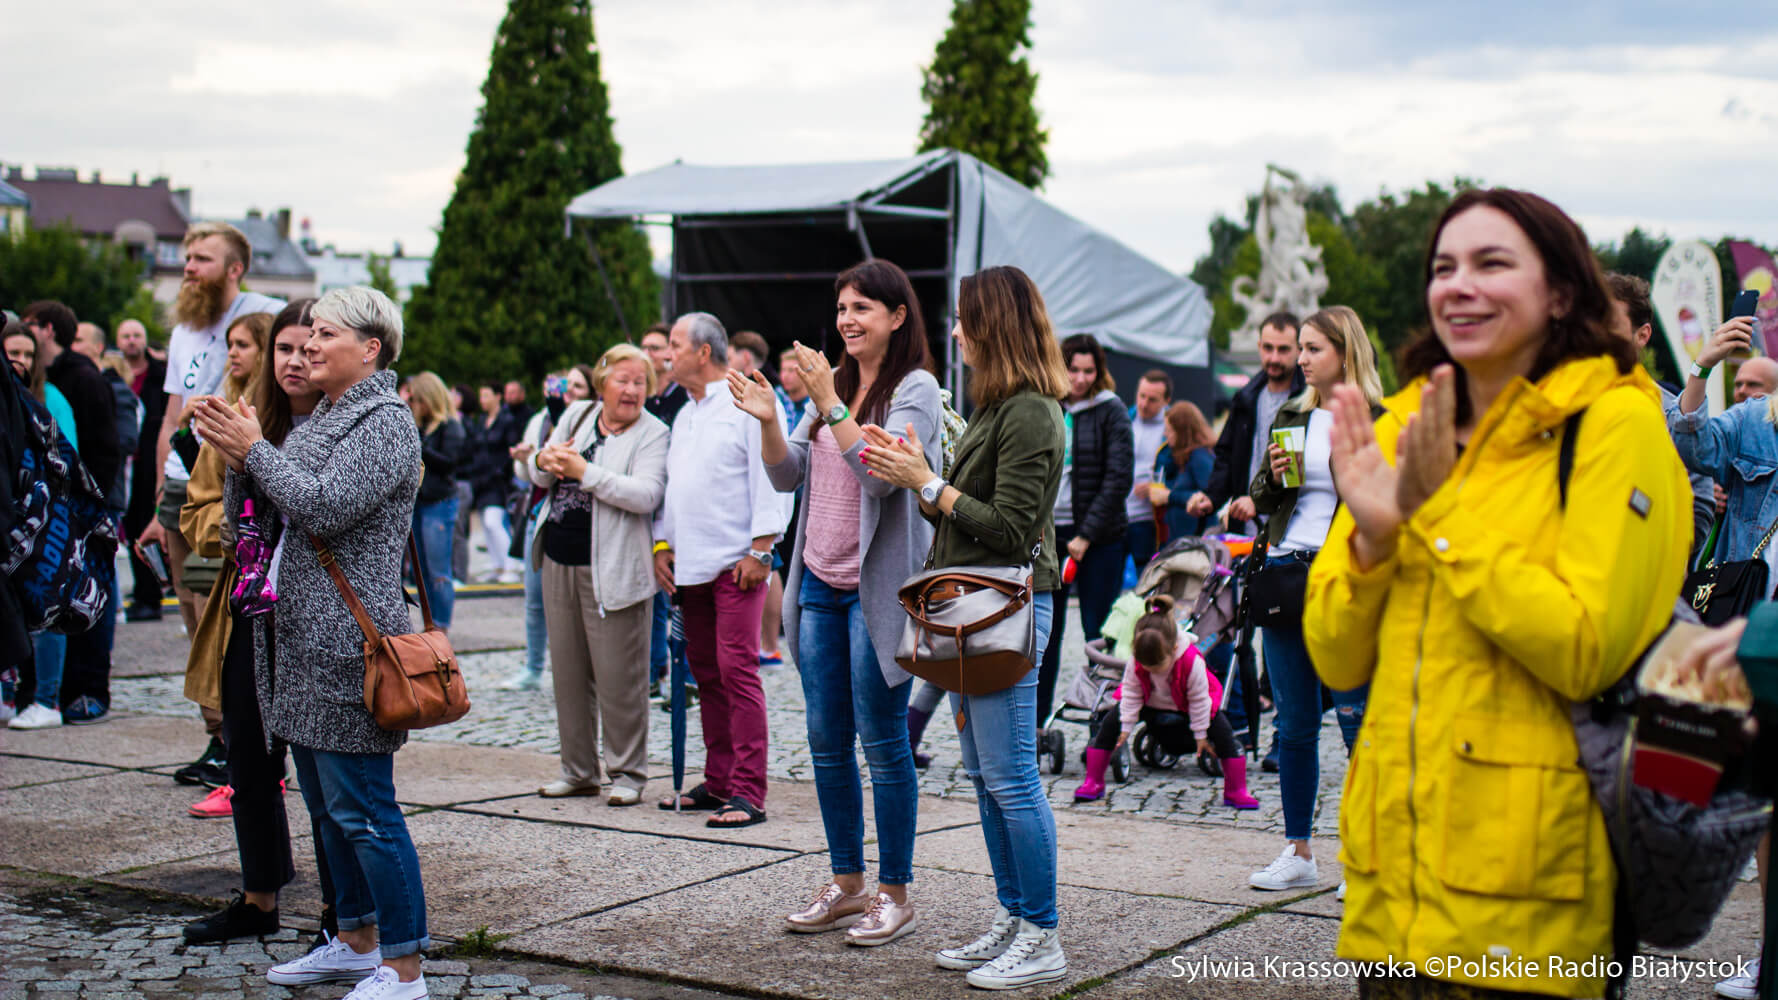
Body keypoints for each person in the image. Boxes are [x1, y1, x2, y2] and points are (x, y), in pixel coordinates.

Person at [1304, 188, 1689, 998]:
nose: (1460, 285)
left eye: (1491, 263)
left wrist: (1435, 517)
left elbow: (1585, 649)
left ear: (1561, 292)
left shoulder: (1616, 426)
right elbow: (1335, 659)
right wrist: (1373, 541)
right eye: (1444, 267)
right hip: (1387, 902)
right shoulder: (1402, 423)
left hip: (1529, 910)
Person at [193, 286, 432, 1000]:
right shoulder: (327, 415)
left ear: (371, 348)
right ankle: (355, 942)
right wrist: (240, 458)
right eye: (308, 335)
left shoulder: (385, 422)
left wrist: (255, 451)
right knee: (329, 812)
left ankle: (405, 968)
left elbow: (324, 507)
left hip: (346, 647)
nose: (310, 346)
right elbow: (261, 516)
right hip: (295, 642)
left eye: (326, 334)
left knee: (368, 813)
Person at [859, 265, 1070, 990]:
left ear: (992, 325)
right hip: (975, 606)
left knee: (1012, 778)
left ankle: (1042, 934)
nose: (953, 331)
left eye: (963, 318)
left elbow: (1010, 529)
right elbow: (959, 507)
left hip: (1006, 606)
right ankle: (1017, 916)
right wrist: (919, 474)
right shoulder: (997, 404)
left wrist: (927, 482)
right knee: (986, 776)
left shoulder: (1032, 411)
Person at [732, 259, 938, 946]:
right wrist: (770, 419)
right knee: (826, 742)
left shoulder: (914, 390)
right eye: (843, 307)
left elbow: (880, 480)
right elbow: (787, 473)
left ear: (897, 317)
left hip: (875, 593)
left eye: (863, 308)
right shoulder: (834, 386)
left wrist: (832, 405)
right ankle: (847, 885)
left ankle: (895, 894)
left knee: (883, 743)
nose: (848, 319)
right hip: (817, 584)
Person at [179, 299, 337, 944]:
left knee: (326, 774)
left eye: (306, 348)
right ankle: (259, 898)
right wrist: (243, 530)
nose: (294, 361)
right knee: (248, 758)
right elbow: (194, 516)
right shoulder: (239, 421)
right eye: (283, 349)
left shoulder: (343, 427)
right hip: (250, 611)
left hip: (320, 620)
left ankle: (343, 914)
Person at [1244, 305, 1384, 894]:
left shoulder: (1378, 420)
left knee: (1357, 723)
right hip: (1285, 574)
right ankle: (1299, 850)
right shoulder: (1292, 414)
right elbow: (1261, 496)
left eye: (1312, 349)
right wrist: (1275, 477)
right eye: (1299, 347)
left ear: (1345, 354)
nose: (1300, 359)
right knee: (1295, 725)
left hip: (1344, 581)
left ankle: (1366, 857)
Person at [653, 312, 787, 828]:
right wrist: (663, 543)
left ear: (703, 352)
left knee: (737, 673)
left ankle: (749, 791)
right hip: (691, 564)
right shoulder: (685, 414)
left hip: (736, 564)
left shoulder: (746, 403)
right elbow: (678, 488)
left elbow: (772, 477)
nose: (667, 355)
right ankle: (719, 780)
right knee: (706, 674)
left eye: (674, 344)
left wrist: (761, 550)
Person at [528, 345, 667, 805]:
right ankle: (578, 770)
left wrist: (585, 471)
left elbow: (646, 494)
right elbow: (538, 469)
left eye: (640, 382)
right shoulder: (577, 414)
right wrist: (543, 462)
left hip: (615, 567)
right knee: (568, 675)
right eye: (623, 380)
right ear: (603, 382)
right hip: (559, 558)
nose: (631, 390)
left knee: (620, 679)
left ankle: (628, 774)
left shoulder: (654, 432)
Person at [25, 301, 121, 727]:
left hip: (85, 508)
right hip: (62, 505)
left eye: (29, 328)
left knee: (89, 596)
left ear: (46, 330)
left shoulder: (82, 378)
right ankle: (55, 691)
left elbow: (106, 449)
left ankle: (89, 691)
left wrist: (88, 509)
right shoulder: (46, 377)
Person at [1072, 595, 1256, 808]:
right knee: (1109, 723)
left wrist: (1201, 735)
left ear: (1174, 648)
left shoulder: (1191, 660)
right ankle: (1093, 781)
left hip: (1187, 703)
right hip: (1149, 700)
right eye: (1146, 667)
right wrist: (1126, 727)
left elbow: (1199, 701)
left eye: (1157, 666)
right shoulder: (1137, 660)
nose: (1152, 671)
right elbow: (1131, 692)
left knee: (1223, 732)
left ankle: (1235, 790)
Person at [1036, 333, 1132, 728]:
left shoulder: (1111, 410)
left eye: (1088, 371)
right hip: (1050, 537)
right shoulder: (1047, 406)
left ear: (1099, 372)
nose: (1079, 379)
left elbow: (1118, 477)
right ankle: (1036, 726)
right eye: (1073, 370)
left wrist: (1085, 536)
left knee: (1098, 634)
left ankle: (1102, 726)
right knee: (1044, 634)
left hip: (1100, 540)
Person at [4, 320, 81, 731]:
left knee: (45, 606)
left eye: (28, 354)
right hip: (9, 515)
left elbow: (68, 460)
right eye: (13, 352)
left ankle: (46, 700)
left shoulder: (50, 398)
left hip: (46, 518)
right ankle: (8, 695)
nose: (21, 360)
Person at [502, 368, 593, 692]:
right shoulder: (541, 420)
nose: (569, 392)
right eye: (565, 386)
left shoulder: (592, 421)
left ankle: (575, 668)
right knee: (534, 598)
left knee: (572, 603)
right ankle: (533, 667)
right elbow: (526, 475)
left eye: (578, 386)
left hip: (575, 519)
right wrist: (527, 459)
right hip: (539, 513)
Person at [1187, 313, 1304, 532]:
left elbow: (1295, 474)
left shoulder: (1307, 400)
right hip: (1247, 524)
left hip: (1292, 526)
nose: (1274, 357)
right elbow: (1227, 455)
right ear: (1259, 346)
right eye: (1268, 348)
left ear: (1299, 350)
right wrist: (1211, 497)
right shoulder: (1246, 397)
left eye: (1283, 349)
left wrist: (1259, 501)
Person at [729, 329, 790, 667]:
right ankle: (766, 644)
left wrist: (762, 538)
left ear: (745, 358)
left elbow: (774, 461)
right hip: (777, 495)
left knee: (771, 563)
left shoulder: (764, 396)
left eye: (729, 356)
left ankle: (768, 644)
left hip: (775, 495)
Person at [641, 323, 690, 697]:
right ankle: (654, 671)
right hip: (646, 507)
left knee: (676, 598)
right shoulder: (641, 398)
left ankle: (683, 676)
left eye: (657, 347)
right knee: (652, 598)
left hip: (677, 508)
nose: (650, 354)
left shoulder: (684, 400)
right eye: (644, 347)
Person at [118, 319, 170, 621]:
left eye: (136, 335)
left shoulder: (158, 375)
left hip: (151, 463)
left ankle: (151, 595)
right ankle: (143, 591)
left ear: (145, 339)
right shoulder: (118, 375)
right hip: (128, 464)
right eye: (126, 336)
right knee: (131, 529)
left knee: (147, 526)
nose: (131, 340)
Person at [406, 372, 466, 633]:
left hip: (439, 503)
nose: (414, 405)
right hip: (420, 502)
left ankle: (441, 626)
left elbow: (450, 464)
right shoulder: (422, 426)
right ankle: (430, 624)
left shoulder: (451, 427)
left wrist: (420, 446)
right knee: (422, 571)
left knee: (439, 571)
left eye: (417, 399)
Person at [469, 383, 524, 583]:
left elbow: (510, 452)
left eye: (486, 395)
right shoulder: (482, 421)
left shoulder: (507, 421)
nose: (482, 400)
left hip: (498, 481)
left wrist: (501, 473)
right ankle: (498, 564)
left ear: (497, 396)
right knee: (486, 523)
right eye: (481, 396)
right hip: (481, 480)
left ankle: (511, 564)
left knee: (494, 522)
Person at [1146, 401, 1217, 543]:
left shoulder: (1199, 456)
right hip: (1181, 538)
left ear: (1182, 432)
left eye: (1170, 430)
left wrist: (1169, 496)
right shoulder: (1183, 456)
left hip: (1197, 539)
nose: (1166, 434)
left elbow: (1209, 497)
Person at [1126, 371, 1172, 566]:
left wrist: (1156, 487)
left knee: (1146, 575)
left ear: (1166, 401)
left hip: (1150, 518)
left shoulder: (1172, 428)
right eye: (1141, 396)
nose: (1144, 404)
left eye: (1152, 400)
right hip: (1118, 516)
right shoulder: (1125, 419)